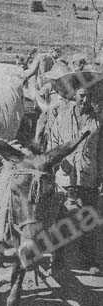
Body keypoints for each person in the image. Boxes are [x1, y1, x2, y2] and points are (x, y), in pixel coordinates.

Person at [49, 87, 102, 272]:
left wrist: (101, 176)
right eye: (82, 95)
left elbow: (101, 151)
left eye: (89, 95)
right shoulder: (62, 117)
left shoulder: (97, 121)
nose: (85, 100)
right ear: (75, 96)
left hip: (88, 174)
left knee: (89, 218)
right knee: (60, 216)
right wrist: (59, 161)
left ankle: (89, 260)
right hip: (65, 174)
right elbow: (53, 142)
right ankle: (58, 258)